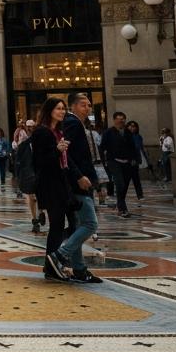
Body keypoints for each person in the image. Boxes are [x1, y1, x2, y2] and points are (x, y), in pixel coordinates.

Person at [53, 93, 102, 284]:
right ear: (73, 106)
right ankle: (60, 255)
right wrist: (79, 176)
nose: (88, 108)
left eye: (89, 105)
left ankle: (80, 269)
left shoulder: (77, 124)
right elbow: (66, 153)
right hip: (77, 183)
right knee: (90, 224)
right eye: (83, 105)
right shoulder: (72, 123)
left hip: (79, 180)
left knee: (77, 226)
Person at [31, 98, 76, 282]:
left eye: (64, 108)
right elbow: (39, 162)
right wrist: (57, 150)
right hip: (50, 185)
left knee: (68, 223)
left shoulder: (58, 131)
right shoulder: (42, 132)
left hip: (60, 182)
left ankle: (54, 261)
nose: (62, 111)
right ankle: (51, 265)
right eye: (58, 108)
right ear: (49, 110)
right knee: (57, 225)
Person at [101, 111, 136, 218]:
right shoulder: (108, 132)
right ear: (114, 120)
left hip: (127, 163)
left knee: (124, 185)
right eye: (119, 119)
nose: (121, 121)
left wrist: (134, 158)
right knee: (119, 184)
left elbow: (132, 147)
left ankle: (120, 203)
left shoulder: (128, 132)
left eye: (123, 119)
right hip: (114, 162)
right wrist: (103, 162)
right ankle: (122, 208)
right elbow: (102, 147)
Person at [127, 120, 147, 196]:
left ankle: (140, 194)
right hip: (126, 160)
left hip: (135, 159)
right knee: (126, 179)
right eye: (131, 126)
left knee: (136, 178)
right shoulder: (125, 136)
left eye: (134, 126)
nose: (133, 128)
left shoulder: (138, 136)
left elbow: (140, 148)